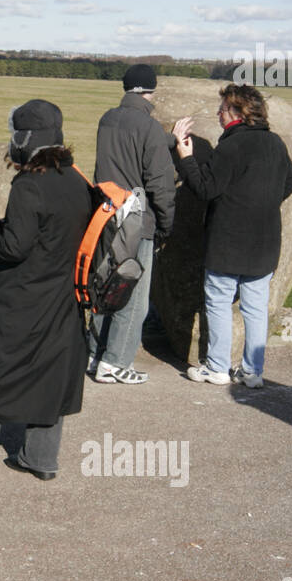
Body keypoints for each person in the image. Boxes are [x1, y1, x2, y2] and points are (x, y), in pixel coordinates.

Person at [0, 99, 92, 480]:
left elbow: (15, 246)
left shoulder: (29, 184)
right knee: (51, 374)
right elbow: (50, 231)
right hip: (63, 298)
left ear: (24, 138)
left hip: (21, 298)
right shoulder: (75, 178)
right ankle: (40, 459)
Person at [172, 84, 292, 389]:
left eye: (223, 109)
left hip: (228, 242)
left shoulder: (231, 146)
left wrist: (185, 156)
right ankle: (253, 372)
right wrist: (263, 203)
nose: (218, 113)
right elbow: (291, 180)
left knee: (217, 301)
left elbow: (205, 189)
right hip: (265, 243)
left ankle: (216, 368)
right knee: (255, 308)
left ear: (238, 113)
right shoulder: (275, 144)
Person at [86, 63, 176, 384]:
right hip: (137, 223)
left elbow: (132, 141)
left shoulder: (108, 120)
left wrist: (168, 139)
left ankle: (95, 353)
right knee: (132, 293)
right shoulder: (148, 127)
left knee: (105, 284)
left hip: (105, 217)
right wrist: (166, 224)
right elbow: (161, 184)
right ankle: (116, 362)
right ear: (151, 90)